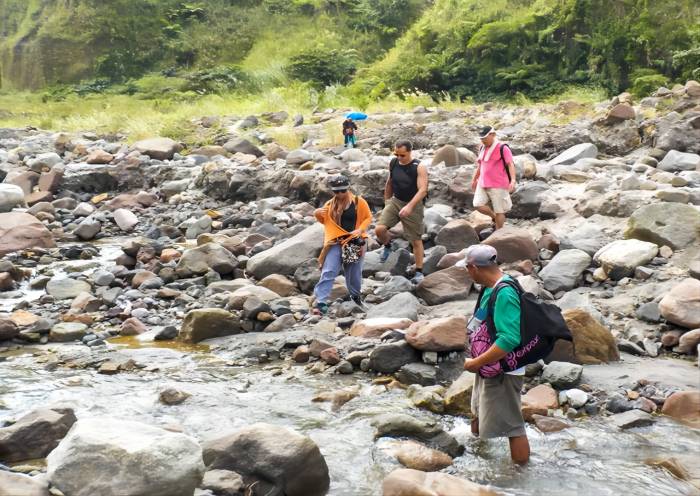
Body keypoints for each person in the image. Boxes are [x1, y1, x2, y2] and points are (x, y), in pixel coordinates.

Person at [462, 244, 530, 465]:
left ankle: (521, 476)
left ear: (474, 267)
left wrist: (476, 362)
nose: (466, 271)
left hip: (504, 368)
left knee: (513, 426)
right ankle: (476, 457)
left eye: (466, 267)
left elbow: (509, 339)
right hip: (489, 364)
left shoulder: (505, 292)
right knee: (478, 410)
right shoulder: (490, 287)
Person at [312, 175, 372, 315]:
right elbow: (325, 221)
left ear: (348, 188)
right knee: (329, 270)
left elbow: (368, 217)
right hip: (336, 241)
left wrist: (360, 230)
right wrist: (317, 214)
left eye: (342, 191)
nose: (340, 194)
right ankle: (321, 302)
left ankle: (355, 297)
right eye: (336, 191)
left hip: (354, 241)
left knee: (353, 272)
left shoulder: (358, 202)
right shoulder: (330, 204)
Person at [375, 139, 428, 284]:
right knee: (379, 230)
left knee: (415, 240)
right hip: (396, 201)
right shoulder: (393, 163)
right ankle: (388, 245)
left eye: (402, 155)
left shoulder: (419, 166)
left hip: (414, 204)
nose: (399, 158)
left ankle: (418, 271)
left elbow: (423, 190)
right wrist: (387, 202)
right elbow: (389, 183)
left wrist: (410, 206)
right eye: (396, 154)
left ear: (410, 152)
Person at [470, 126, 516, 230]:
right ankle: (494, 217)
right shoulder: (482, 147)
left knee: (499, 211)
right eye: (481, 138)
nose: (483, 140)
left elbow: (510, 164)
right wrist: (474, 179)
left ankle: (498, 233)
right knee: (477, 204)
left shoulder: (503, 148)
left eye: (485, 138)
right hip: (482, 182)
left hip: (498, 184)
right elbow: (480, 165)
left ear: (493, 135)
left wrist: (513, 180)